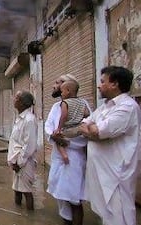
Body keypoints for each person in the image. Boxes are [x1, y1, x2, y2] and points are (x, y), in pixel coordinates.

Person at [79, 66, 141, 225]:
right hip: (103, 173)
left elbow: (98, 131)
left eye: (102, 81)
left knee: (120, 216)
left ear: (115, 84)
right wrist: (92, 131)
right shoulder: (105, 106)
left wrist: (94, 132)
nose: (99, 85)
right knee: (107, 217)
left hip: (116, 174)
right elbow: (84, 125)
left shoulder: (127, 107)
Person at [45, 74, 90, 225]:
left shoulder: (81, 104)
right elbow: (49, 128)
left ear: (67, 87)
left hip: (73, 157)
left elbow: (86, 126)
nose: (54, 85)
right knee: (60, 195)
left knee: (74, 198)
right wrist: (56, 137)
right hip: (58, 156)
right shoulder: (55, 107)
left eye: (58, 83)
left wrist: (65, 139)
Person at [7, 91, 37, 210]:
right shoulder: (20, 118)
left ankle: (30, 217)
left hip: (24, 162)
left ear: (23, 103)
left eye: (17, 98)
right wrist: (14, 162)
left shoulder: (29, 120)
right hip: (17, 162)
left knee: (26, 192)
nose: (14, 99)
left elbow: (29, 145)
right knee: (17, 190)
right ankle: (19, 216)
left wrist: (19, 163)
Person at [53, 80, 90, 164]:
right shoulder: (82, 102)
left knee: (56, 137)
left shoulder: (65, 102)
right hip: (79, 128)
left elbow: (64, 116)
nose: (61, 94)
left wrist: (59, 128)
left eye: (62, 92)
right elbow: (87, 113)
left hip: (68, 129)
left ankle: (64, 155)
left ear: (68, 91)